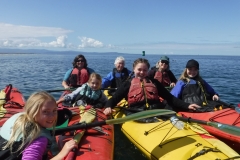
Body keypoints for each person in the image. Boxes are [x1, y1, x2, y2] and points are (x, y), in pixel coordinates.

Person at [103, 58, 200, 119]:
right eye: (139, 70)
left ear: (148, 71)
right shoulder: (127, 84)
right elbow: (114, 99)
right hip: (137, 114)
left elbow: (170, 98)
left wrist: (187, 105)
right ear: (134, 69)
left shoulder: (154, 83)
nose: (142, 72)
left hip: (157, 112)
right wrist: (108, 107)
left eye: (145, 70)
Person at [0, 91, 77, 160]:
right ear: (33, 112)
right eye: (45, 112)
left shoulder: (18, 118)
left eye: (54, 111)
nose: (52, 116)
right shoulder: (40, 139)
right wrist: (61, 154)